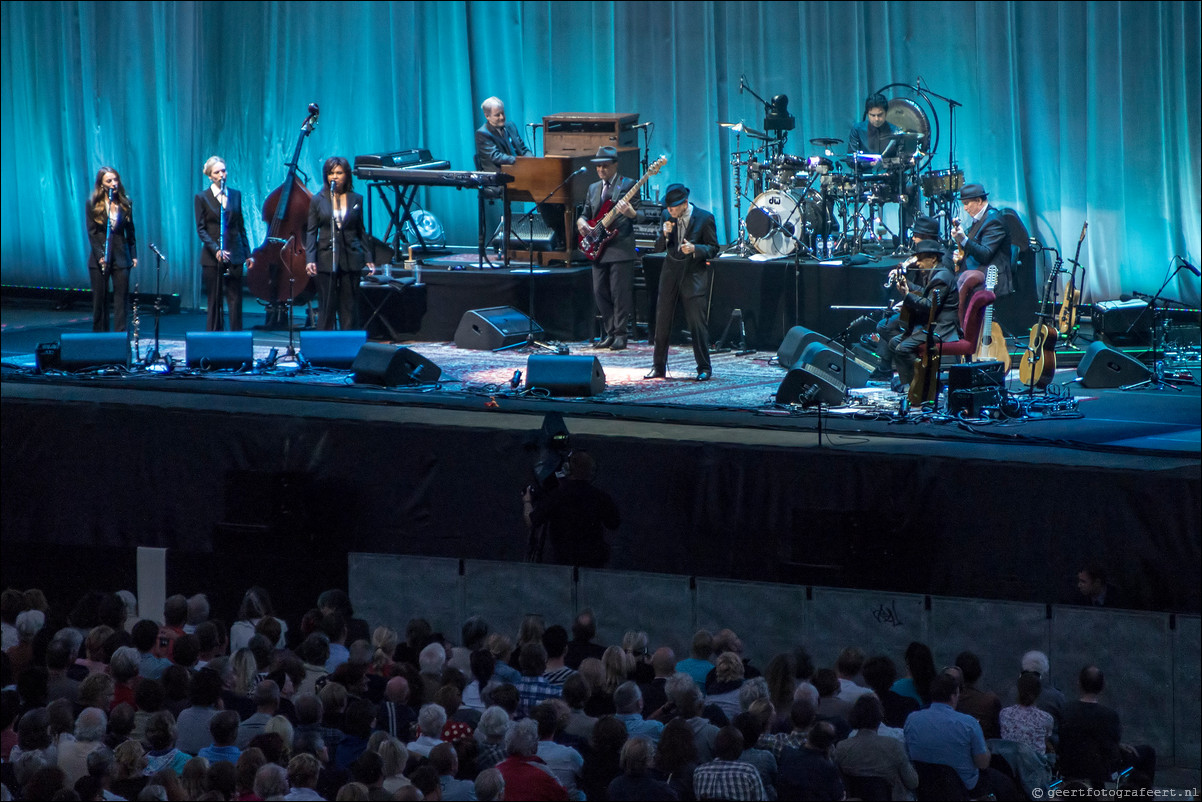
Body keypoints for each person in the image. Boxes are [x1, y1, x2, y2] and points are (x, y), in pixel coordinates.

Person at [646, 183, 720, 381]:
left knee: (697, 323)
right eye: (668, 208)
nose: (669, 211)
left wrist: (696, 248)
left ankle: (704, 367)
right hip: (670, 272)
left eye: (673, 208)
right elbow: (658, 248)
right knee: (662, 321)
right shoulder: (666, 217)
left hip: (693, 274)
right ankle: (658, 367)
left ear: (685, 203)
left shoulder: (704, 218)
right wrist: (664, 234)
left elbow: (714, 248)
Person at [876, 239, 959, 393]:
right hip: (932, 325)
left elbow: (929, 306)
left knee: (902, 348)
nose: (918, 264)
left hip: (942, 329)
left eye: (921, 259)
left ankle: (927, 381)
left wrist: (907, 295)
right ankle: (912, 385)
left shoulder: (942, 277)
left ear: (933, 258)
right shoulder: (935, 273)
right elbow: (924, 293)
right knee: (894, 343)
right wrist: (906, 285)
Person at [577, 146, 638, 350]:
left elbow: (641, 215)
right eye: (598, 166)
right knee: (599, 291)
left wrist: (630, 213)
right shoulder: (593, 188)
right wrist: (581, 222)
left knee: (619, 293)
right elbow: (585, 212)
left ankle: (621, 334)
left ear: (615, 165)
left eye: (605, 166)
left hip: (620, 247)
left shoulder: (628, 184)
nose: (601, 169)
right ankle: (610, 332)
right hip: (598, 247)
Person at [305, 156, 375, 330]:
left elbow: (361, 230)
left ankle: (349, 346)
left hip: (351, 257)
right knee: (326, 306)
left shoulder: (356, 199)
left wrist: (368, 257)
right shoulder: (317, 200)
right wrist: (310, 259)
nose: (334, 177)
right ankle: (325, 347)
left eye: (338, 173)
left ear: (347, 175)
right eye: (330, 173)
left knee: (349, 306)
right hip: (326, 257)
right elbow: (311, 231)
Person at [525, 450, 620, 568]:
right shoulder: (600, 497)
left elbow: (532, 521)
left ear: (568, 469)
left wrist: (527, 501)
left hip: (563, 560)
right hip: (593, 562)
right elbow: (614, 523)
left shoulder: (557, 495)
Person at [194, 156, 253, 331]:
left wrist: (248, 254)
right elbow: (201, 229)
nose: (222, 175)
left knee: (235, 300)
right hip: (213, 258)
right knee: (215, 300)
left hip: (235, 253)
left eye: (223, 170)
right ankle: (214, 337)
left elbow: (240, 226)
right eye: (217, 172)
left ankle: (237, 338)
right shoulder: (202, 197)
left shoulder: (235, 194)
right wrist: (216, 250)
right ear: (210, 176)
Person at [85, 166, 136, 332]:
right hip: (100, 258)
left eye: (116, 180)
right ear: (101, 184)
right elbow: (92, 233)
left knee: (121, 301)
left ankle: (121, 339)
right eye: (109, 181)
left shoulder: (125, 202)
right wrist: (100, 255)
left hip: (121, 256)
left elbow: (131, 231)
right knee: (100, 300)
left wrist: (133, 255)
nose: (114, 183)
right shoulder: (93, 203)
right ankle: (100, 339)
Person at [950, 182, 1014, 295]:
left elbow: (985, 254)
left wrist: (964, 240)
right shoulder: (981, 219)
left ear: (979, 201)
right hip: (977, 279)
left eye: (966, 203)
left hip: (991, 284)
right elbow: (974, 245)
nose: (965, 208)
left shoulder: (994, 221)